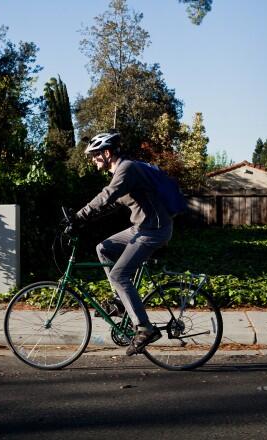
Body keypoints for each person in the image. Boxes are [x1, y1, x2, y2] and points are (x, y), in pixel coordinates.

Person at [73, 132, 173, 356]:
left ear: (106, 153)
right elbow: (110, 204)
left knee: (119, 275)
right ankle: (120, 300)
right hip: (140, 228)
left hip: (154, 230)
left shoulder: (126, 168)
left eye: (95, 155)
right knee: (104, 248)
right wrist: (81, 223)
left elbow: (107, 195)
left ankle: (145, 328)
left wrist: (78, 216)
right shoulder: (123, 173)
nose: (92, 160)